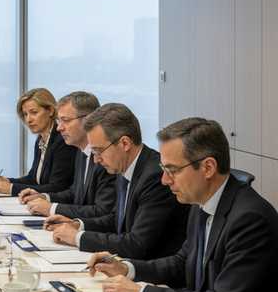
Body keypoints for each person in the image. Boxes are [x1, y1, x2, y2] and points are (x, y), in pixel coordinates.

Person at [87, 118, 278, 292]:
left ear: (208, 167)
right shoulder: (203, 202)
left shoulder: (249, 219)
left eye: (172, 170)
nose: (165, 180)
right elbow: (181, 262)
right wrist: (127, 268)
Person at [45, 102, 188, 259]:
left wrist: (78, 237)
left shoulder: (154, 177)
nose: (96, 160)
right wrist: (79, 225)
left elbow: (137, 244)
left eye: (99, 151)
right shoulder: (123, 166)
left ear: (125, 143)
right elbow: (116, 219)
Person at [18, 91, 116, 218]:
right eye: (59, 121)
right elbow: (74, 193)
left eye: (65, 120)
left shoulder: (104, 157)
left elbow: (102, 211)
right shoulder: (81, 152)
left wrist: (52, 208)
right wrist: (44, 196)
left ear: (89, 120)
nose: (59, 128)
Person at [0, 87, 76, 196]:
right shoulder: (41, 139)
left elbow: (57, 187)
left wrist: (12, 188)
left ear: (50, 110)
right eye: (25, 114)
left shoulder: (62, 140)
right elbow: (33, 178)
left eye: (34, 112)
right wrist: (8, 181)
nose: (28, 120)